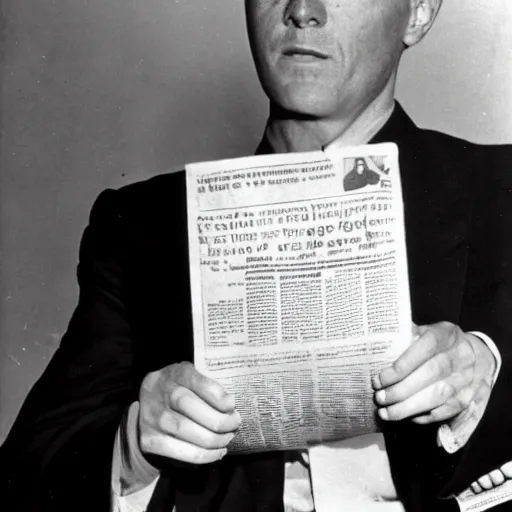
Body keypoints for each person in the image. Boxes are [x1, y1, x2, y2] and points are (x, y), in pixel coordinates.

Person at [1, 0, 512, 511]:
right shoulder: (141, 226)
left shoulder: (500, 193)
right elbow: (24, 475)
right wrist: (135, 443)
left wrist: (481, 372)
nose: (303, 10)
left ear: (418, 13)